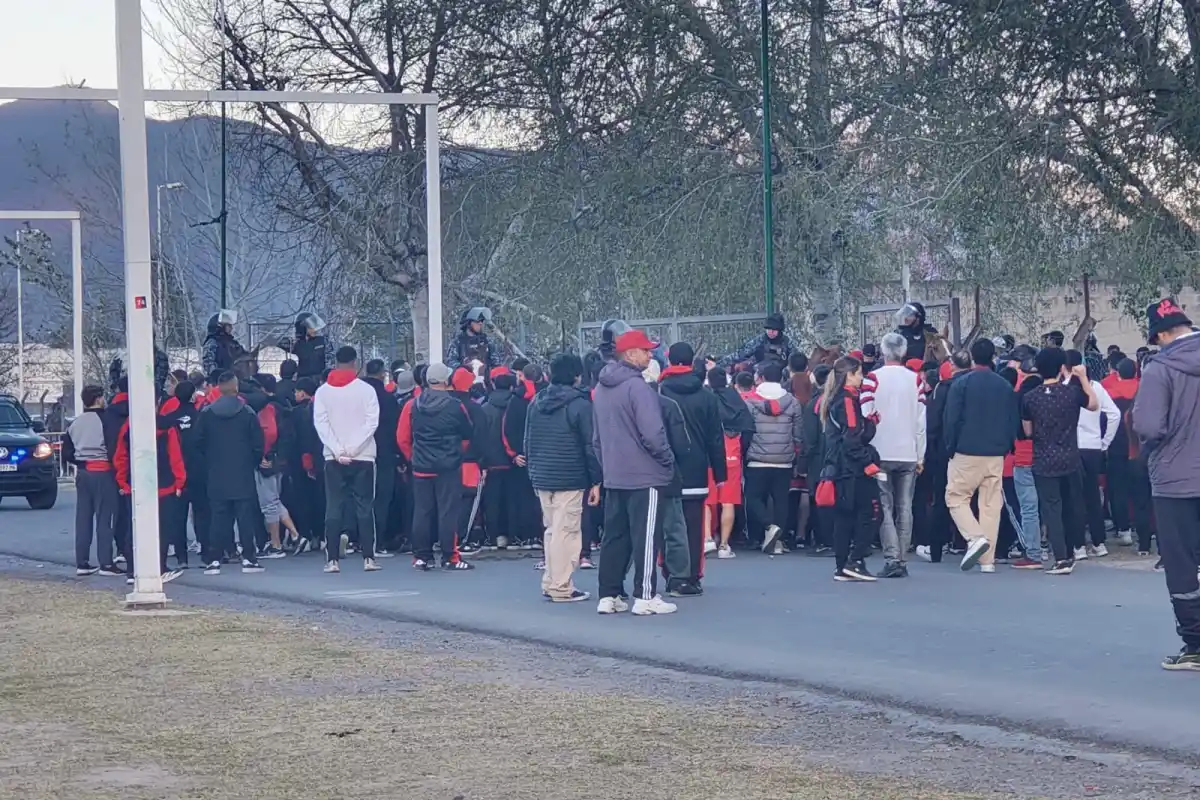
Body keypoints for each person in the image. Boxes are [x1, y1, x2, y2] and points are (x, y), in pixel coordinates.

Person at [1131, 298, 1200, 670]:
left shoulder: (1159, 369)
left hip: (1176, 478)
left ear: (1159, 334)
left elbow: (1148, 426)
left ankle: (1196, 645)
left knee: (1182, 563)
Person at [593, 329, 677, 616]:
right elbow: (653, 433)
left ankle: (609, 593)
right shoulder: (638, 388)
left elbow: (596, 438)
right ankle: (645, 595)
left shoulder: (602, 388)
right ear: (630, 354)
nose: (650, 354)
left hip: (615, 472)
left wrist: (608, 465)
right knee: (646, 535)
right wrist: (666, 460)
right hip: (645, 474)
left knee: (615, 536)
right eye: (645, 350)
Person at [524, 353, 602, 602]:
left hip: (543, 475)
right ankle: (561, 585)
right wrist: (596, 480)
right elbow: (591, 447)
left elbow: (528, 441)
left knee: (551, 530)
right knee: (566, 531)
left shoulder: (536, 401)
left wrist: (534, 472)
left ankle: (551, 580)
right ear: (577, 375)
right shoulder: (580, 405)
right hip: (571, 475)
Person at [942, 338, 1020, 572]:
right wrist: (1007, 446)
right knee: (990, 505)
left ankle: (975, 538)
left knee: (956, 497)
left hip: (966, 449)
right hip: (996, 452)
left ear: (973, 358)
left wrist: (950, 447)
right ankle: (988, 561)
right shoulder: (1004, 385)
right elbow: (1011, 418)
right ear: (993, 356)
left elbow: (952, 419)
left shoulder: (962, 384)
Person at [1021, 347, 1098, 576]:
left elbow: (1027, 431)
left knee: (1051, 508)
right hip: (1071, 456)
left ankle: (1061, 557)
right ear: (1062, 368)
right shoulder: (1072, 393)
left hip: (1044, 459)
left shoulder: (1030, 398)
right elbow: (1094, 404)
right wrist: (1082, 377)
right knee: (1072, 506)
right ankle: (1074, 549)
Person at [658, 342, 726, 595]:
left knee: (669, 524)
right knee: (694, 525)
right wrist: (720, 473)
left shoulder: (660, 392)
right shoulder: (706, 396)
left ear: (670, 360)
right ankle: (693, 575)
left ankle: (672, 573)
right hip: (697, 468)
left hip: (666, 466)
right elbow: (714, 437)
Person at [397, 363, 476, 571]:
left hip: (421, 466)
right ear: (445, 381)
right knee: (448, 512)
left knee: (422, 511)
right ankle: (450, 556)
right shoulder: (455, 405)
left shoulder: (412, 405)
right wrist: (456, 453)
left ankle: (422, 556)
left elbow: (402, 437)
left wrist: (413, 457)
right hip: (448, 467)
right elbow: (467, 434)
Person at [860, 332, 926, 578]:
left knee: (885, 507)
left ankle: (891, 558)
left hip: (880, 452)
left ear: (883, 351)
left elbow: (867, 415)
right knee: (905, 506)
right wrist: (920, 455)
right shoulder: (915, 380)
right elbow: (921, 421)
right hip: (908, 452)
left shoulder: (872, 379)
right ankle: (902, 559)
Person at [313, 346, 381, 574]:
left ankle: (332, 559)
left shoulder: (322, 392)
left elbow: (321, 424)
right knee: (364, 507)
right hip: (363, 456)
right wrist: (353, 448)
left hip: (333, 457)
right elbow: (372, 423)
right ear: (355, 362)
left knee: (334, 507)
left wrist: (337, 449)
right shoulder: (366, 390)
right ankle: (368, 557)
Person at [195, 371, 266, 575]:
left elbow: (197, 442)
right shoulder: (247, 412)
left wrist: (210, 461)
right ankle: (249, 558)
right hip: (242, 472)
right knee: (245, 517)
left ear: (218, 387)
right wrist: (251, 462)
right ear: (236, 387)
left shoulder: (207, 413)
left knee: (218, 517)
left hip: (216, 472)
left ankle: (214, 559)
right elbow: (257, 444)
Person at [819, 356, 881, 581]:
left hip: (839, 466)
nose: (862, 378)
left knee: (844, 517)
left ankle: (842, 565)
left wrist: (870, 425)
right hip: (853, 467)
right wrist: (868, 462)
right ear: (849, 375)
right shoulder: (847, 401)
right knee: (871, 513)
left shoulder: (834, 400)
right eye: (859, 373)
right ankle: (855, 560)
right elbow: (852, 438)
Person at [113, 403, 187, 584]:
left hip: (135, 484)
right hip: (164, 485)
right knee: (162, 529)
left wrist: (122, 481)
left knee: (135, 527)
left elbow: (121, 457)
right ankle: (159, 567)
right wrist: (179, 481)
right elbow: (175, 455)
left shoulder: (129, 426)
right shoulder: (166, 426)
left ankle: (132, 569)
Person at [743, 361, 803, 553]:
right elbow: (799, 434)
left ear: (761, 377)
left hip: (757, 459)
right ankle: (778, 542)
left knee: (752, 498)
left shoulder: (750, 401)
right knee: (781, 501)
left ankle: (769, 527)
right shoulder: (793, 402)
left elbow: (747, 430)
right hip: (784, 460)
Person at [918, 349, 971, 562]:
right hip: (970, 449)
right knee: (970, 499)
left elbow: (933, 423)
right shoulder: (972, 385)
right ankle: (967, 541)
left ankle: (936, 547)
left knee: (942, 498)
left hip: (943, 451)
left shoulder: (943, 390)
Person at [1066, 349, 1120, 558]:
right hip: (1093, 448)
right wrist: (1105, 442)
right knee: (1093, 496)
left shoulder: (1063, 389)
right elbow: (1114, 414)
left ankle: (1078, 546)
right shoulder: (1096, 387)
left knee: (1074, 498)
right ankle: (1099, 542)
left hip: (1072, 448)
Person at [62, 385, 120, 577]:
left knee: (83, 518)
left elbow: (67, 453)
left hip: (83, 473)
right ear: (98, 398)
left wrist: (82, 461)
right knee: (105, 519)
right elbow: (114, 447)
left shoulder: (75, 424)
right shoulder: (106, 420)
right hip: (103, 472)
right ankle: (106, 563)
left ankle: (82, 563)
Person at [705, 367, 754, 558]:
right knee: (728, 501)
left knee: (708, 502)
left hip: (710, 455)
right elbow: (749, 427)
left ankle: (707, 539)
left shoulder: (708, 399)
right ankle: (724, 545)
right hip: (732, 455)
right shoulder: (736, 400)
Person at [160, 381, 209, 568]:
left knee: (177, 516)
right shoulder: (201, 417)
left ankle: (181, 557)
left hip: (177, 472)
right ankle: (206, 554)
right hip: (199, 471)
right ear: (192, 396)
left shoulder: (169, 419)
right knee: (202, 513)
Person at [475, 368, 522, 552]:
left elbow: (479, 436)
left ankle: (494, 536)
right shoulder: (516, 405)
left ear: (493, 384)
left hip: (491, 461)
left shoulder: (485, 408)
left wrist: (482, 462)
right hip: (514, 460)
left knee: (492, 501)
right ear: (511, 386)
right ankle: (512, 535)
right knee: (512, 499)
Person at [252, 373, 297, 559]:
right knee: (274, 500)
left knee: (269, 503)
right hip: (280, 460)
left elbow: (267, 435)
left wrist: (263, 456)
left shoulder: (265, 409)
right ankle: (294, 534)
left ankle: (276, 544)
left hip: (267, 462)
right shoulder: (282, 406)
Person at [362, 359, 400, 558]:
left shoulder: (357, 396)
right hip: (383, 453)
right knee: (382, 498)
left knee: (360, 497)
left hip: (357, 451)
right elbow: (395, 430)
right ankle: (377, 542)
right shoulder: (387, 399)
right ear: (382, 373)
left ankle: (358, 538)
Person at [1105, 358, 1142, 548]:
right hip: (1140, 448)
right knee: (1142, 491)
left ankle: (1124, 529)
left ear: (1117, 373)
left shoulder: (1111, 395)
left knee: (1118, 490)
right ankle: (1145, 530)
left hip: (1117, 448)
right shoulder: (1143, 390)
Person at [101, 376, 134, 570]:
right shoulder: (139, 409)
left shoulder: (109, 413)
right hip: (136, 463)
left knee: (119, 510)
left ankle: (121, 548)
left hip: (114, 464)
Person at [801, 365, 833, 556]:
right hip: (836, 456)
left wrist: (803, 463)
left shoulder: (815, 403)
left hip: (819, 459)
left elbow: (810, 438)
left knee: (819, 498)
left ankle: (823, 540)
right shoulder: (837, 399)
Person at [290, 377, 324, 553]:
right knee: (319, 497)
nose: (295, 394)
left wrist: (306, 460)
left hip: (302, 461)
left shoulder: (298, 412)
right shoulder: (319, 408)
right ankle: (321, 535)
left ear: (303, 392)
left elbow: (301, 438)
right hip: (319, 458)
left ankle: (306, 535)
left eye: (296, 391)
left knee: (303, 499)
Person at [720, 312, 792, 368]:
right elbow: (740, 354)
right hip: (761, 376)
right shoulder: (760, 340)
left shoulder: (787, 342)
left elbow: (796, 360)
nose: (770, 332)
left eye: (774, 330)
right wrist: (720, 363)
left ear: (780, 330)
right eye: (768, 329)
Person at [202, 309, 248, 376]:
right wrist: (218, 376)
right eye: (229, 325)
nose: (231, 328)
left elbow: (242, 356)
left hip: (235, 379)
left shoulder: (233, 343)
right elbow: (208, 363)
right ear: (220, 326)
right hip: (220, 381)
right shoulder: (212, 342)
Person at [287, 311, 331, 380]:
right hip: (303, 382)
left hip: (320, 380)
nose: (315, 329)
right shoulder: (295, 346)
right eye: (311, 327)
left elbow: (331, 358)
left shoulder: (322, 341)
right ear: (302, 328)